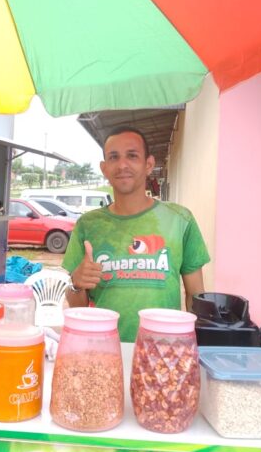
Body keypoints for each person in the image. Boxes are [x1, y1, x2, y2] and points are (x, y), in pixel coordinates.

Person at [62, 126, 210, 342]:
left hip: (164, 351)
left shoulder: (180, 220)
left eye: (132, 156)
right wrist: (76, 283)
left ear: (149, 164)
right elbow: (78, 307)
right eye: (114, 157)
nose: (122, 165)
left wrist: (192, 348)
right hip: (105, 350)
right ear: (104, 168)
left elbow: (196, 296)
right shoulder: (88, 225)